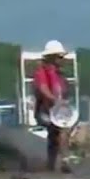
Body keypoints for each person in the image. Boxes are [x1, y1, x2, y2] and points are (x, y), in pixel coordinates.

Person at [33, 40, 69, 171]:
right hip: (44, 112)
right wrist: (55, 100)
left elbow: (63, 93)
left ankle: (53, 164)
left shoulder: (59, 75)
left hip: (57, 112)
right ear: (52, 57)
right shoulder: (41, 73)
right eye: (59, 57)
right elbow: (43, 89)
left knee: (55, 134)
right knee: (58, 130)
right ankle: (62, 161)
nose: (62, 59)